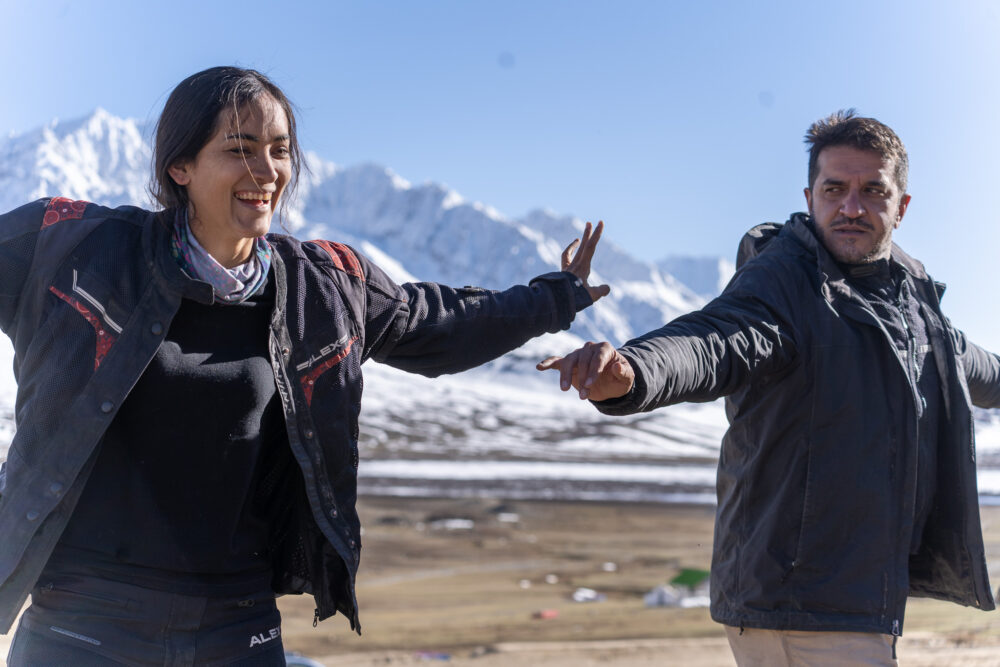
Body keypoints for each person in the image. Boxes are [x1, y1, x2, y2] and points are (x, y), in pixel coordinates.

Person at [0, 66, 608, 665]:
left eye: (280, 151)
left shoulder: (324, 288)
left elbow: (440, 324)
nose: (265, 173)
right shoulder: (73, 248)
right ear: (179, 167)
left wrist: (558, 295)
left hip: (236, 629)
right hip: (83, 629)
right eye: (239, 150)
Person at [538, 110, 1000, 665]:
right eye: (835, 189)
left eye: (872, 191)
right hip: (798, 601)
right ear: (810, 197)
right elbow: (712, 340)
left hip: (850, 600)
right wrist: (632, 373)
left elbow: (974, 366)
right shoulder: (785, 285)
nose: (851, 207)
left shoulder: (911, 305)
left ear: (901, 207)